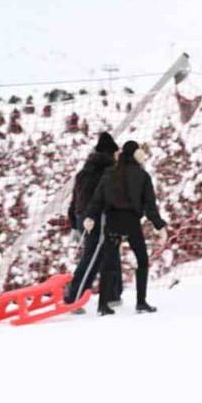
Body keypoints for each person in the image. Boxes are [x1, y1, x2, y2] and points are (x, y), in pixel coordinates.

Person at [83, 140, 167, 315]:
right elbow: (150, 206)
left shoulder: (109, 173)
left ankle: (103, 305)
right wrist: (160, 226)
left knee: (109, 264)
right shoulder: (142, 176)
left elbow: (97, 199)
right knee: (142, 260)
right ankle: (141, 302)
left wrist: (90, 217)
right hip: (131, 222)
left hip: (113, 221)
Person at [64, 131, 122, 307]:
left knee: (110, 252)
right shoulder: (109, 171)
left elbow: (74, 200)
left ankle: (112, 294)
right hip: (98, 218)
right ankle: (74, 297)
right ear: (111, 153)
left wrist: (75, 224)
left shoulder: (84, 172)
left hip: (84, 218)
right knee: (93, 257)